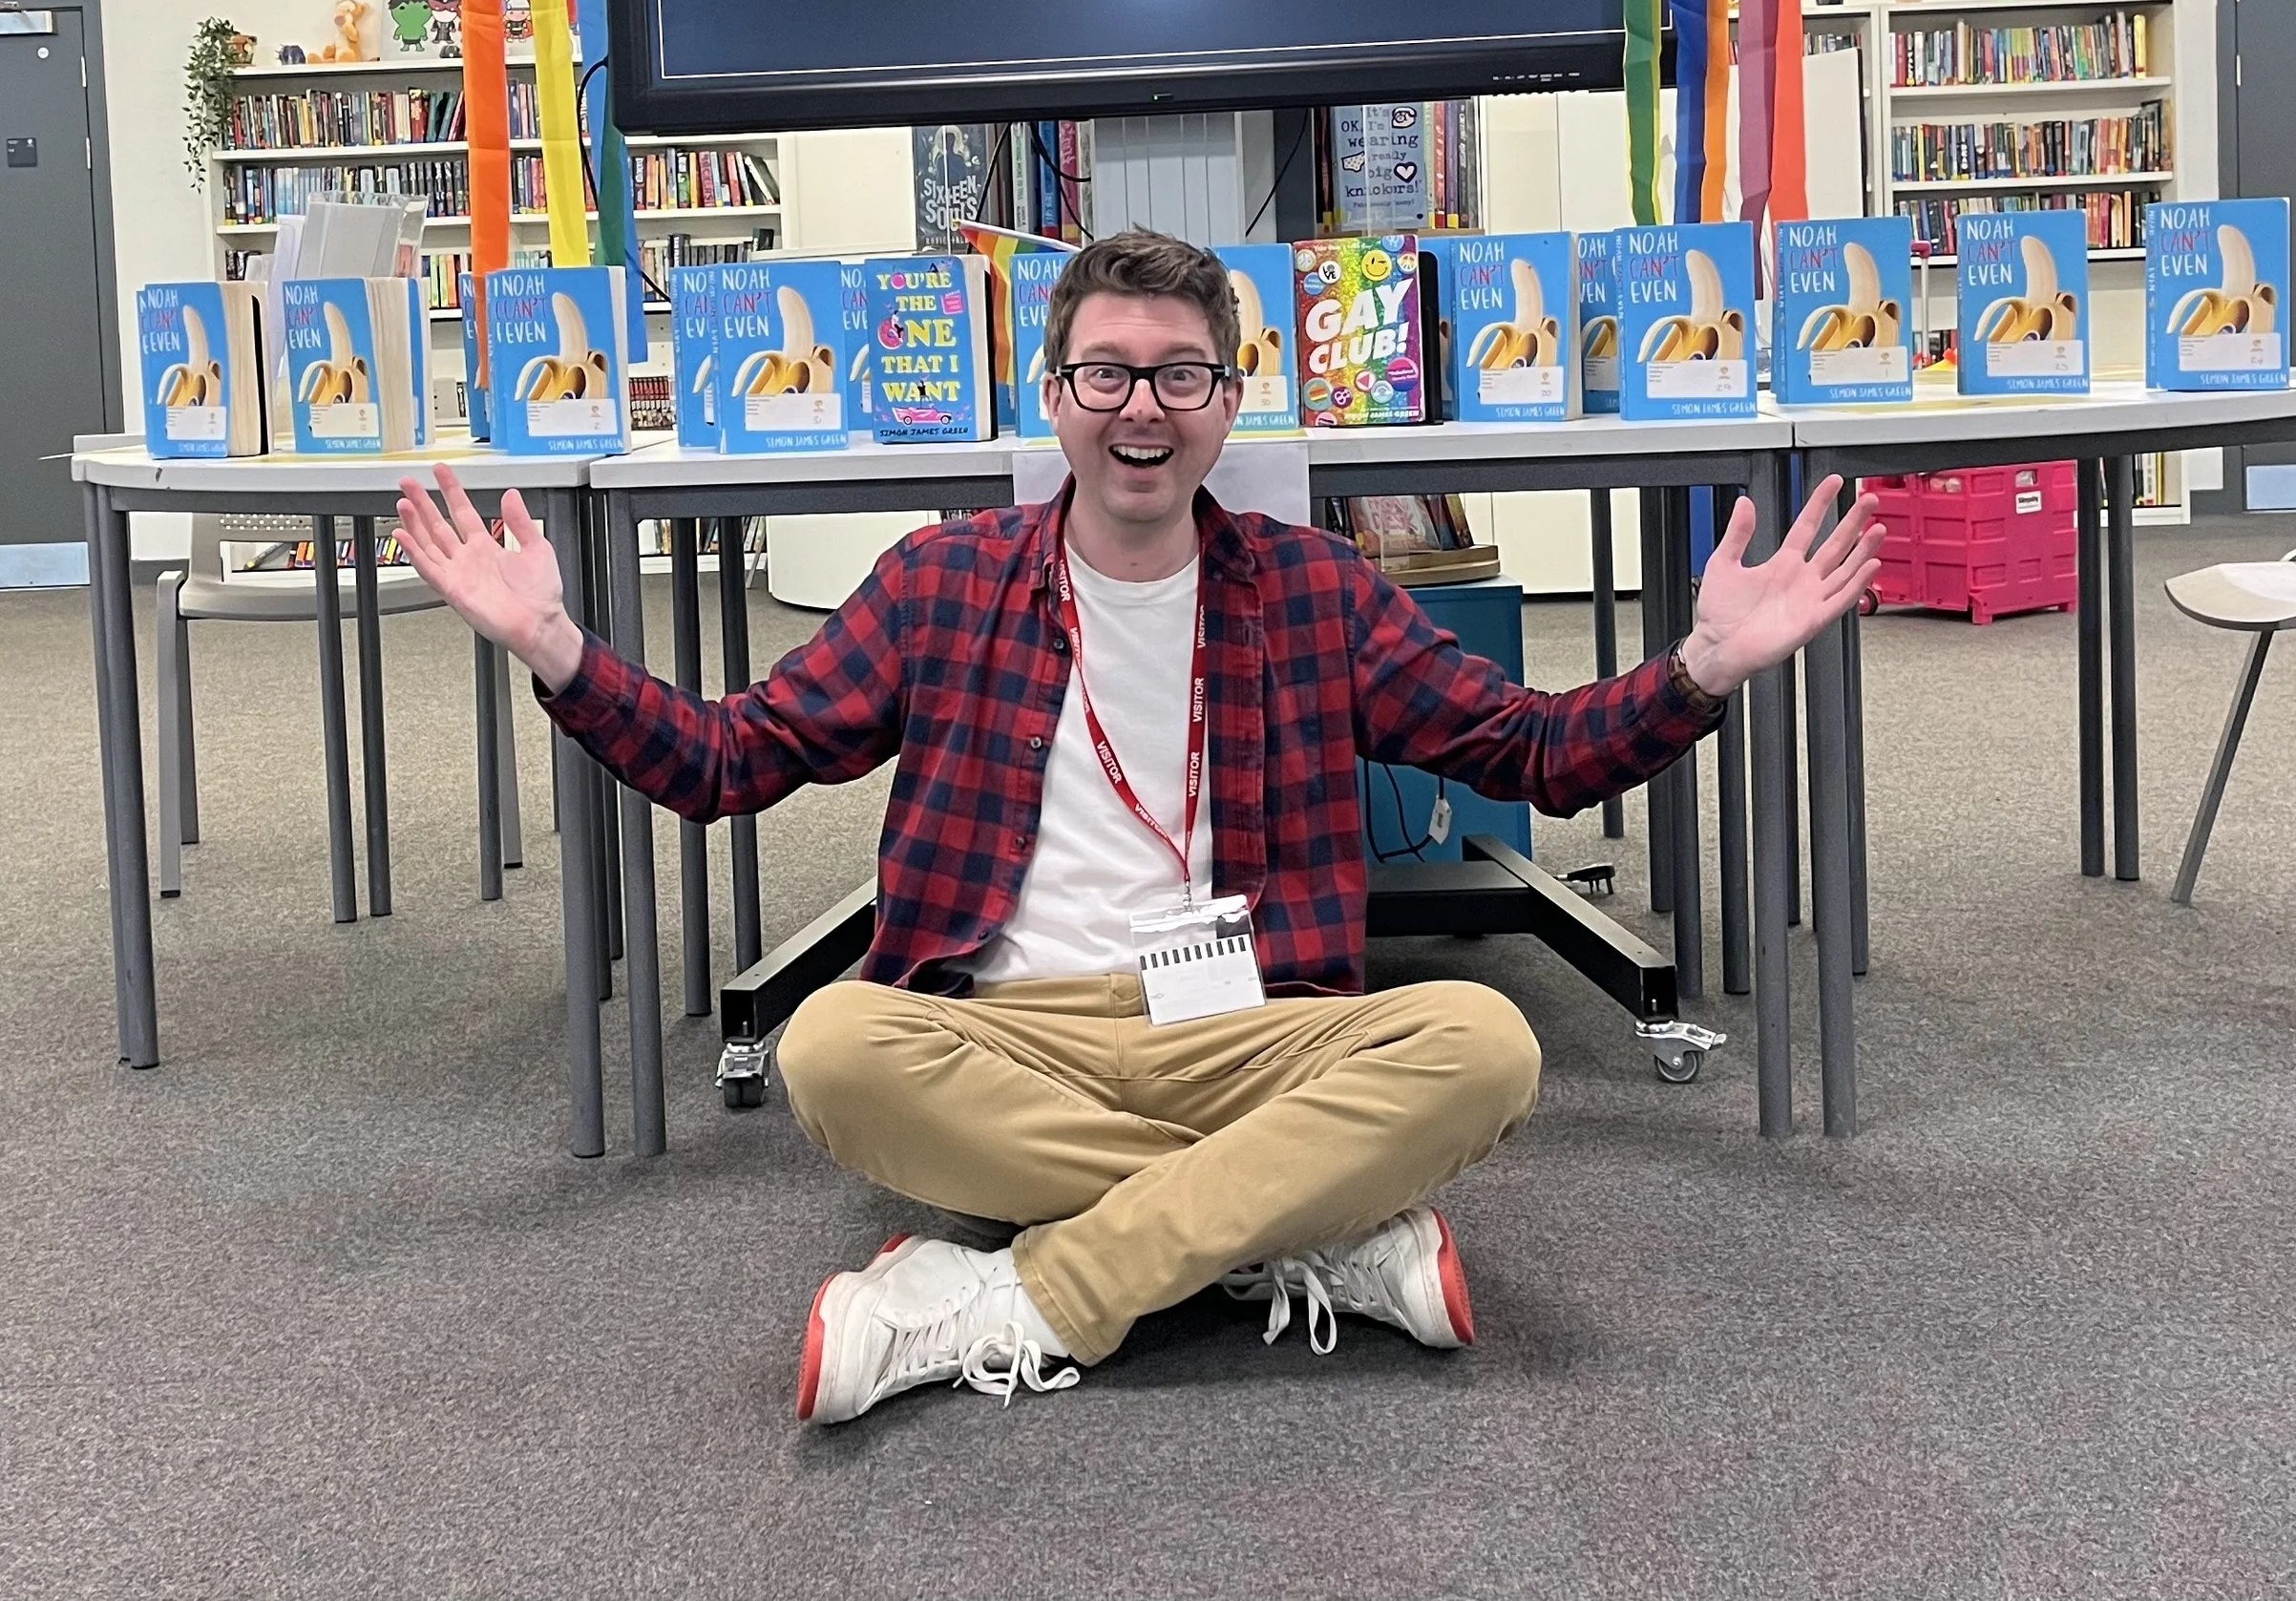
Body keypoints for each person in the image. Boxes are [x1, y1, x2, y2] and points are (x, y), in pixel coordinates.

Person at [396, 228, 1877, 1426]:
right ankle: (1289, 1226)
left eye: (1182, 377)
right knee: (834, 1051)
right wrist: (560, 653)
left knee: (1486, 1047)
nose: (1143, 412)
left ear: (1232, 402)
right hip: (1005, 1028)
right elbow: (736, 759)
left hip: (1246, 1024)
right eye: (1106, 375)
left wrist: (1701, 671)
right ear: (1054, 397)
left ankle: (1022, 1301)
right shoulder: (943, 583)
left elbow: (1530, 751)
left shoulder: (1314, 590)